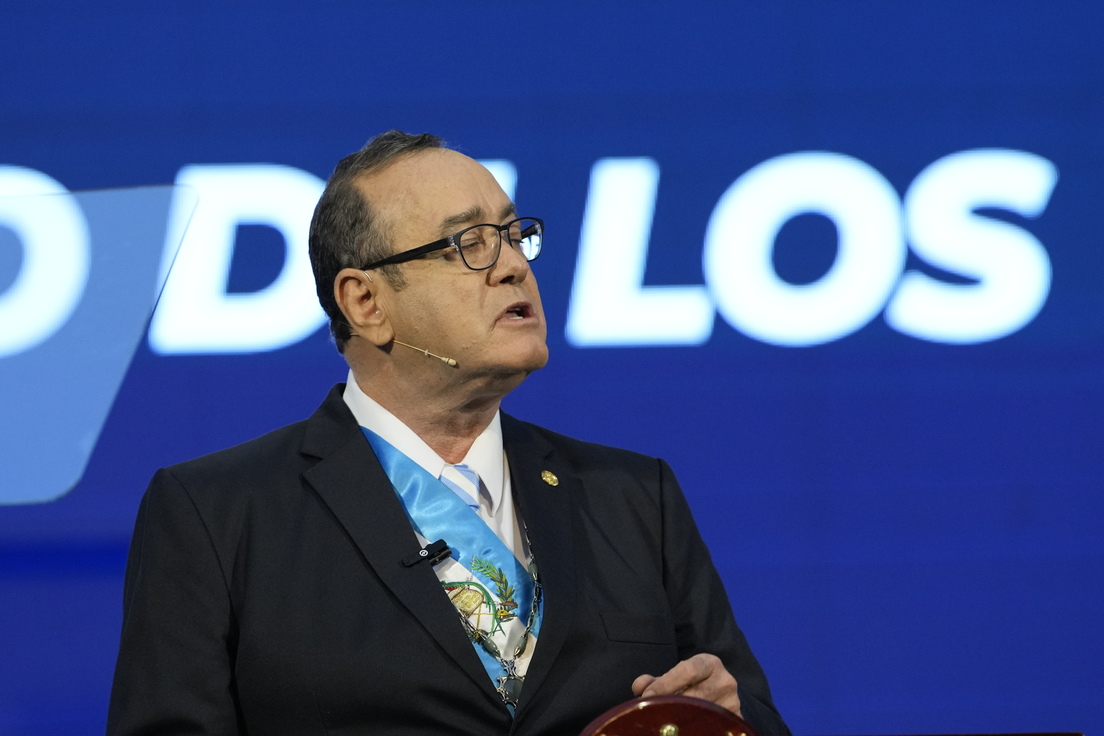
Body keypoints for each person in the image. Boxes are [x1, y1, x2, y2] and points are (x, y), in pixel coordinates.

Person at [106, 130, 789, 736]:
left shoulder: (634, 498)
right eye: (470, 244)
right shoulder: (218, 515)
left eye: (514, 236)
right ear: (366, 303)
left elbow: (749, 717)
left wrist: (729, 718)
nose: (514, 265)